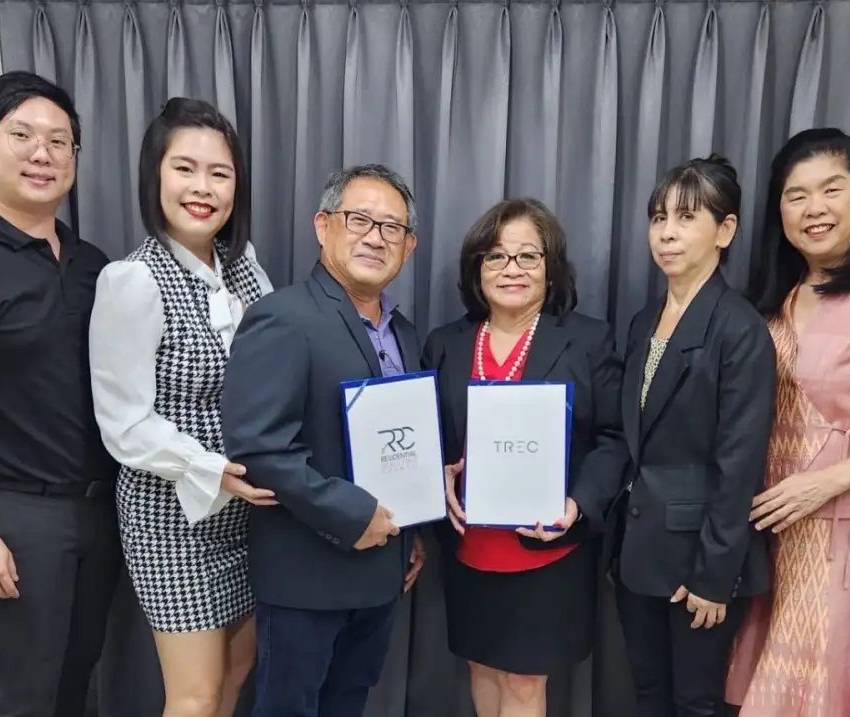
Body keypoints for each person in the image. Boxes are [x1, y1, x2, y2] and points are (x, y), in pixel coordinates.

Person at [0, 71, 121, 717]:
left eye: (60, 141)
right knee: (26, 696)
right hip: (19, 516)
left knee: (78, 681)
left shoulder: (95, 264)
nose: (43, 153)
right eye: (23, 135)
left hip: (102, 508)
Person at [724, 129, 850, 717]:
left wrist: (824, 484)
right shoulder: (781, 292)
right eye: (796, 196)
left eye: (831, 189)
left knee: (825, 688)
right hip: (773, 517)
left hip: (847, 521)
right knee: (773, 682)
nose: (814, 208)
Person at [87, 97, 276, 717]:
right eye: (185, 169)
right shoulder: (132, 280)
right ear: (155, 176)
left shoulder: (244, 267)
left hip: (245, 514)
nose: (203, 188)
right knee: (194, 695)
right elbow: (124, 423)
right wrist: (212, 468)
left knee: (238, 669)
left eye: (219, 173)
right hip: (170, 517)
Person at [220, 164, 425, 717]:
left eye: (392, 227)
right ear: (323, 225)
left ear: (408, 246)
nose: (375, 237)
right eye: (360, 219)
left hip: (381, 573)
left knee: (348, 704)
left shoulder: (404, 332)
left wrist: (412, 526)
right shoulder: (282, 317)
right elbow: (259, 447)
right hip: (306, 576)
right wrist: (354, 515)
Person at [420, 198, 629, 716]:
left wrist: (578, 504)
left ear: (550, 268)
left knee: (522, 683)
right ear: (476, 269)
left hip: (547, 547)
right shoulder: (445, 343)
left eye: (527, 256)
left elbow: (615, 437)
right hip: (469, 545)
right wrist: (436, 473)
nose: (511, 268)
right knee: (480, 667)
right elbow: (430, 437)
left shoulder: (587, 341)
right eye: (495, 256)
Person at [603, 155, 776, 717]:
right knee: (648, 694)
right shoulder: (644, 321)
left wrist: (714, 576)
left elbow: (739, 463)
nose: (667, 233)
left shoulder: (740, 329)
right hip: (638, 548)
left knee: (696, 703)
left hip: (698, 559)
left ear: (725, 231)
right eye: (658, 218)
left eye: (686, 217)